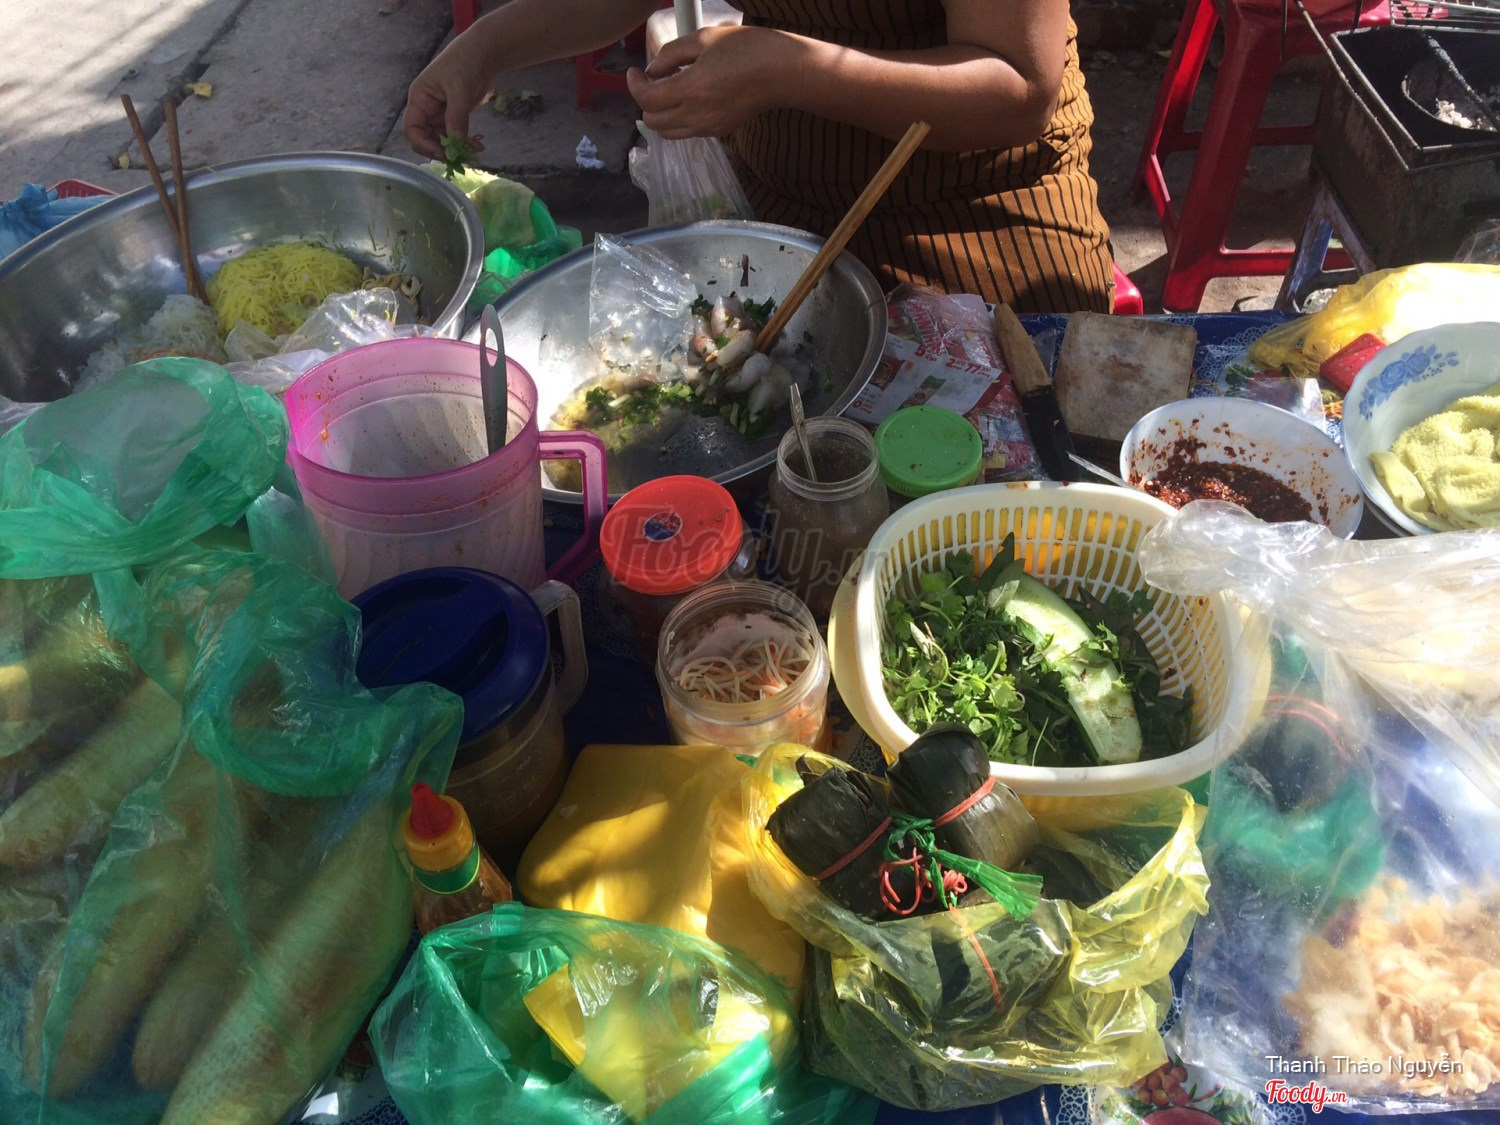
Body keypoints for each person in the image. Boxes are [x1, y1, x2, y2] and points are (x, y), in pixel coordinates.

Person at [404, 0, 1114, 313]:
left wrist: (786, 70)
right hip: (781, 221)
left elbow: (1020, 86)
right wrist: (484, 47)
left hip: (976, 223)